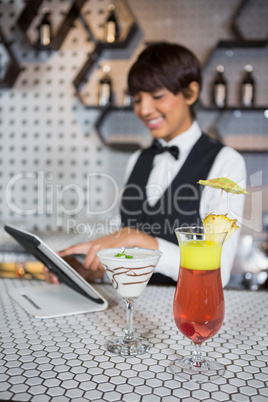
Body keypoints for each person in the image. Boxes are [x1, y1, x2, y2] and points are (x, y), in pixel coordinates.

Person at [44, 42, 247, 288]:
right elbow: (128, 258)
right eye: (137, 99)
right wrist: (91, 273)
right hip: (130, 311)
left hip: (186, 317)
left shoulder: (226, 163)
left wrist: (141, 241)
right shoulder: (137, 160)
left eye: (157, 96)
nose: (144, 109)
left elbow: (218, 271)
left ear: (191, 93)